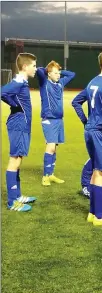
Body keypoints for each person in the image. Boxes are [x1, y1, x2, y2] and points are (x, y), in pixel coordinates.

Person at [72, 51, 102, 226]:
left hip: (90, 131)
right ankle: (100, 217)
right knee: (101, 172)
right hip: (101, 132)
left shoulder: (92, 82)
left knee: (95, 171)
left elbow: (76, 102)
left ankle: (92, 213)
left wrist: (86, 121)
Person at [1, 53, 37, 212]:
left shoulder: (22, 82)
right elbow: (3, 92)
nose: (36, 69)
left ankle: (18, 195)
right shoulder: (18, 82)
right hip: (18, 124)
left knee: (19, 158)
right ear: (25, 67)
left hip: (22, 125)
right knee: (14, 160)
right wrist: (14, 104)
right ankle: (12, 202)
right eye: (34, 66)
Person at [36, 60, 76, 186]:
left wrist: (58, 69)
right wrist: (49, 68)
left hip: (59, 120)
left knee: (55, 149)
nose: (58, 75)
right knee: (51, 147)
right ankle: (45, 176)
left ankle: (51, 174)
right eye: (55, 73)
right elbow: (39, 71)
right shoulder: (44, 83)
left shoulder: (60, 83)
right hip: (49, 120)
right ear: (48, 74)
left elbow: (72, 74)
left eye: (59, 73)